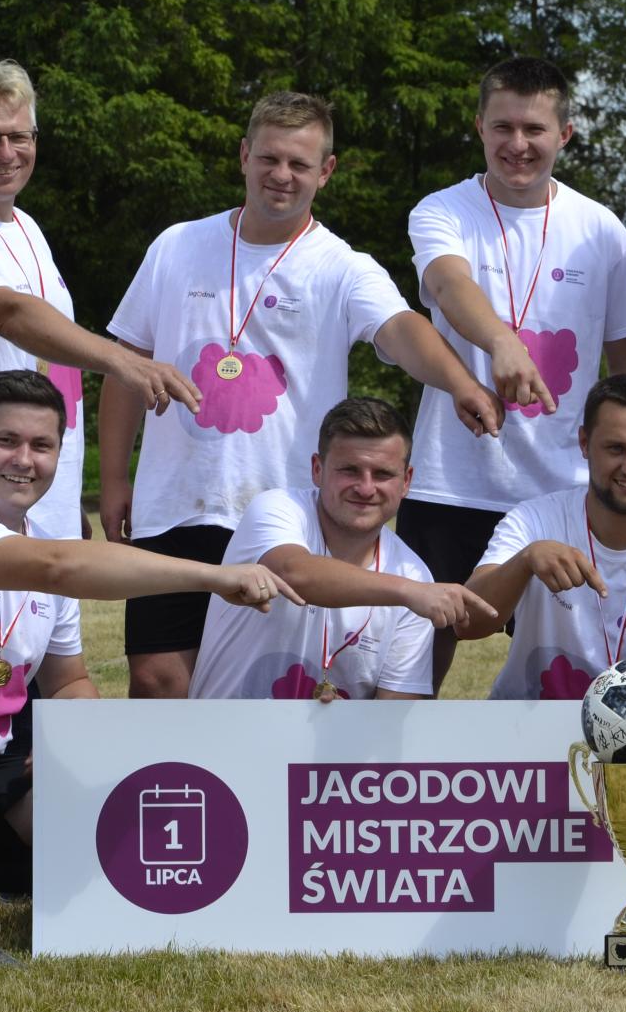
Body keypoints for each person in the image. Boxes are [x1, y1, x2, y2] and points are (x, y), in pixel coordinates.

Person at [0, 371, 297, 966]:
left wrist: (78, 744)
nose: (24, 459)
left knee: (103, 846)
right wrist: (214, 577)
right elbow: (58, 567)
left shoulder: (43, 543)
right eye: (4, 441)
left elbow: (68, 681)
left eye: (42, 445)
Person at [98, 90, 504, 699]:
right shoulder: (176, 244)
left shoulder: (341, 265)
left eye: (299, 164)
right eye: (269, 158)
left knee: (269, 685)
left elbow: (402, 330)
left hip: (282, 517)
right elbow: (126, 364)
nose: (281, 175)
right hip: (177, 501)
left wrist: (460, 381)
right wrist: (113, 479)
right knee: (158, 683)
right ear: (244, 155)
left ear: (326, 171)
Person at [401, 56, 626, 691]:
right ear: (479, 127)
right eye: (503, 127)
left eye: (535, 129)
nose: (518, 144)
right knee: (415, 654)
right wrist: (501, 342)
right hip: (450, 484)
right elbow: (447, 283)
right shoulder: (442, 210)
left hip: (562, 489)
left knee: (577, 667)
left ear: (564, 133)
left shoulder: (602, 230)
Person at [0, 57, 199, 543]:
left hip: (37, 495)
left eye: (19, 136)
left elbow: (43, 366)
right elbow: (12, 315)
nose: (6, 152)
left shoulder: (28, 228)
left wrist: (61, 496)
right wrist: (124, 361)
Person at [189, 398, 494, 701]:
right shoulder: (277, 508)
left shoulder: (415, 575)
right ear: (317, 469)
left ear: (406, 481)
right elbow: (294, 573)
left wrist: (345, 721)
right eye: (349, 470)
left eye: (383, 474)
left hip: (339, 737)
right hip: (225, 729)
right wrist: (407, 592)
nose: (365, 488)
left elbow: (394, 711)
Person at [458, 375, 626, 698]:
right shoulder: (534, 520)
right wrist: (525, 561)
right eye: (616, 448)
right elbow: (467, 622)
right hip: (523, 723)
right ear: (584, 443)